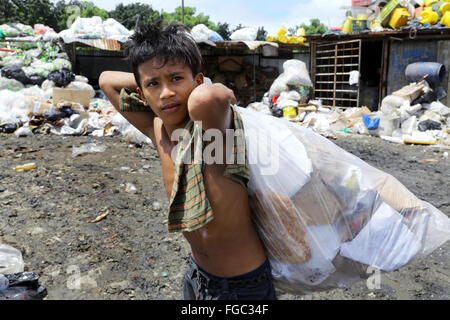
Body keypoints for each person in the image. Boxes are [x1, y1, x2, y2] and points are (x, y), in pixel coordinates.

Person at [99, 20, 276, 300]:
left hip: (242, 288)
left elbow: (205, 98)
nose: (167, 93)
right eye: (154, 85)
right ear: (142, 94)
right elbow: (106, 80)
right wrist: (151, 76)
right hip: (197, 275)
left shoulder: (210, 130)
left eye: (176, 79)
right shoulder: (157, 131)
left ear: (197, 81)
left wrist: (216, 89)